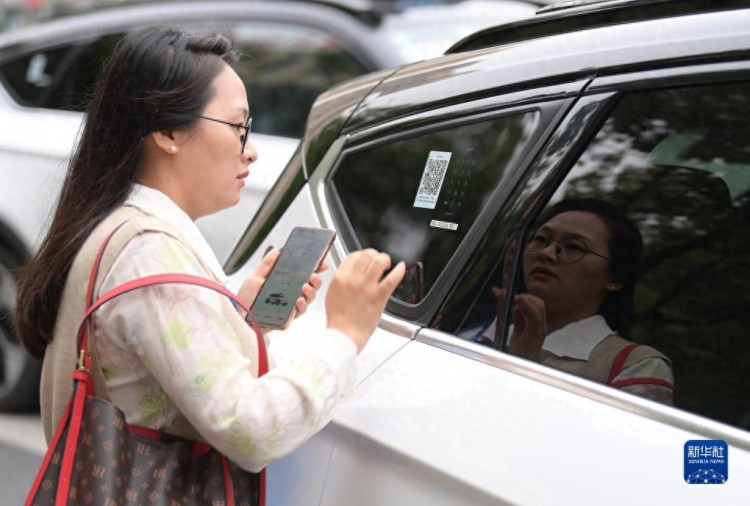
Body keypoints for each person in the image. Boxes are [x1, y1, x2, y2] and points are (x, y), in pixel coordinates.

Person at [13, 25, 405, 474]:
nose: (251, 150)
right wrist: (345, 334)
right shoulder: (149, 255)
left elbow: (153, 377)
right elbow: (251, 430)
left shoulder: (119, 229)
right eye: (239, 126)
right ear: (169, 132)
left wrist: (236, 322)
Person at [487, 198, 674, 404]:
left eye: (574, 247)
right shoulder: (479, 331)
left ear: (614, 278)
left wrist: (525, 367)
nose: (546, 253)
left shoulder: (635, 365)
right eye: (541, 239)